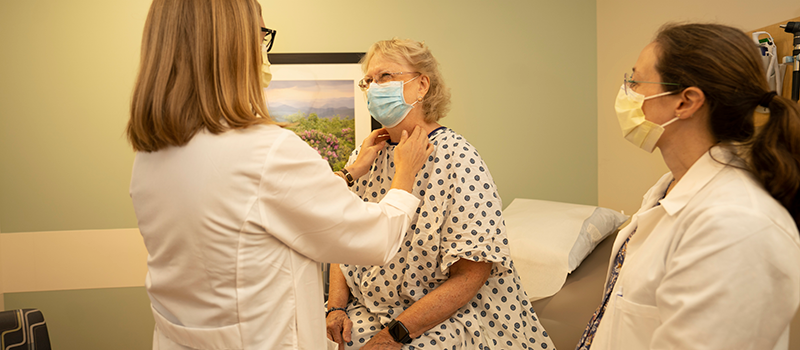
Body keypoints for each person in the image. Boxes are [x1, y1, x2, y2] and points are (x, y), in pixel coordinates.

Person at [126, 1, 434, 349]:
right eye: (260, 35)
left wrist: (347, 175)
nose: (263, 48)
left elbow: (263, 206)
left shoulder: (152, 155)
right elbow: (374, 237)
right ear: (232, 46)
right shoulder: (265, 152)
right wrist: (405, 176)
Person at [576, 23, 800, 350]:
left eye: (636, 81)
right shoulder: (668, 190)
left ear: (686, 102)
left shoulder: (737, 224)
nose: (627, 92)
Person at [325, 38, 556, 350]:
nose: (374, 88)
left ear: (421, 86)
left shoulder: (458, 157)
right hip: (371, 311)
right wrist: (336, 307)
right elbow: (345, 236)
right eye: (369, 80)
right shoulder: (367, 154)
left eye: (385, 77)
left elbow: (470, 275)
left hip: (441, 317)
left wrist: (393, 336)